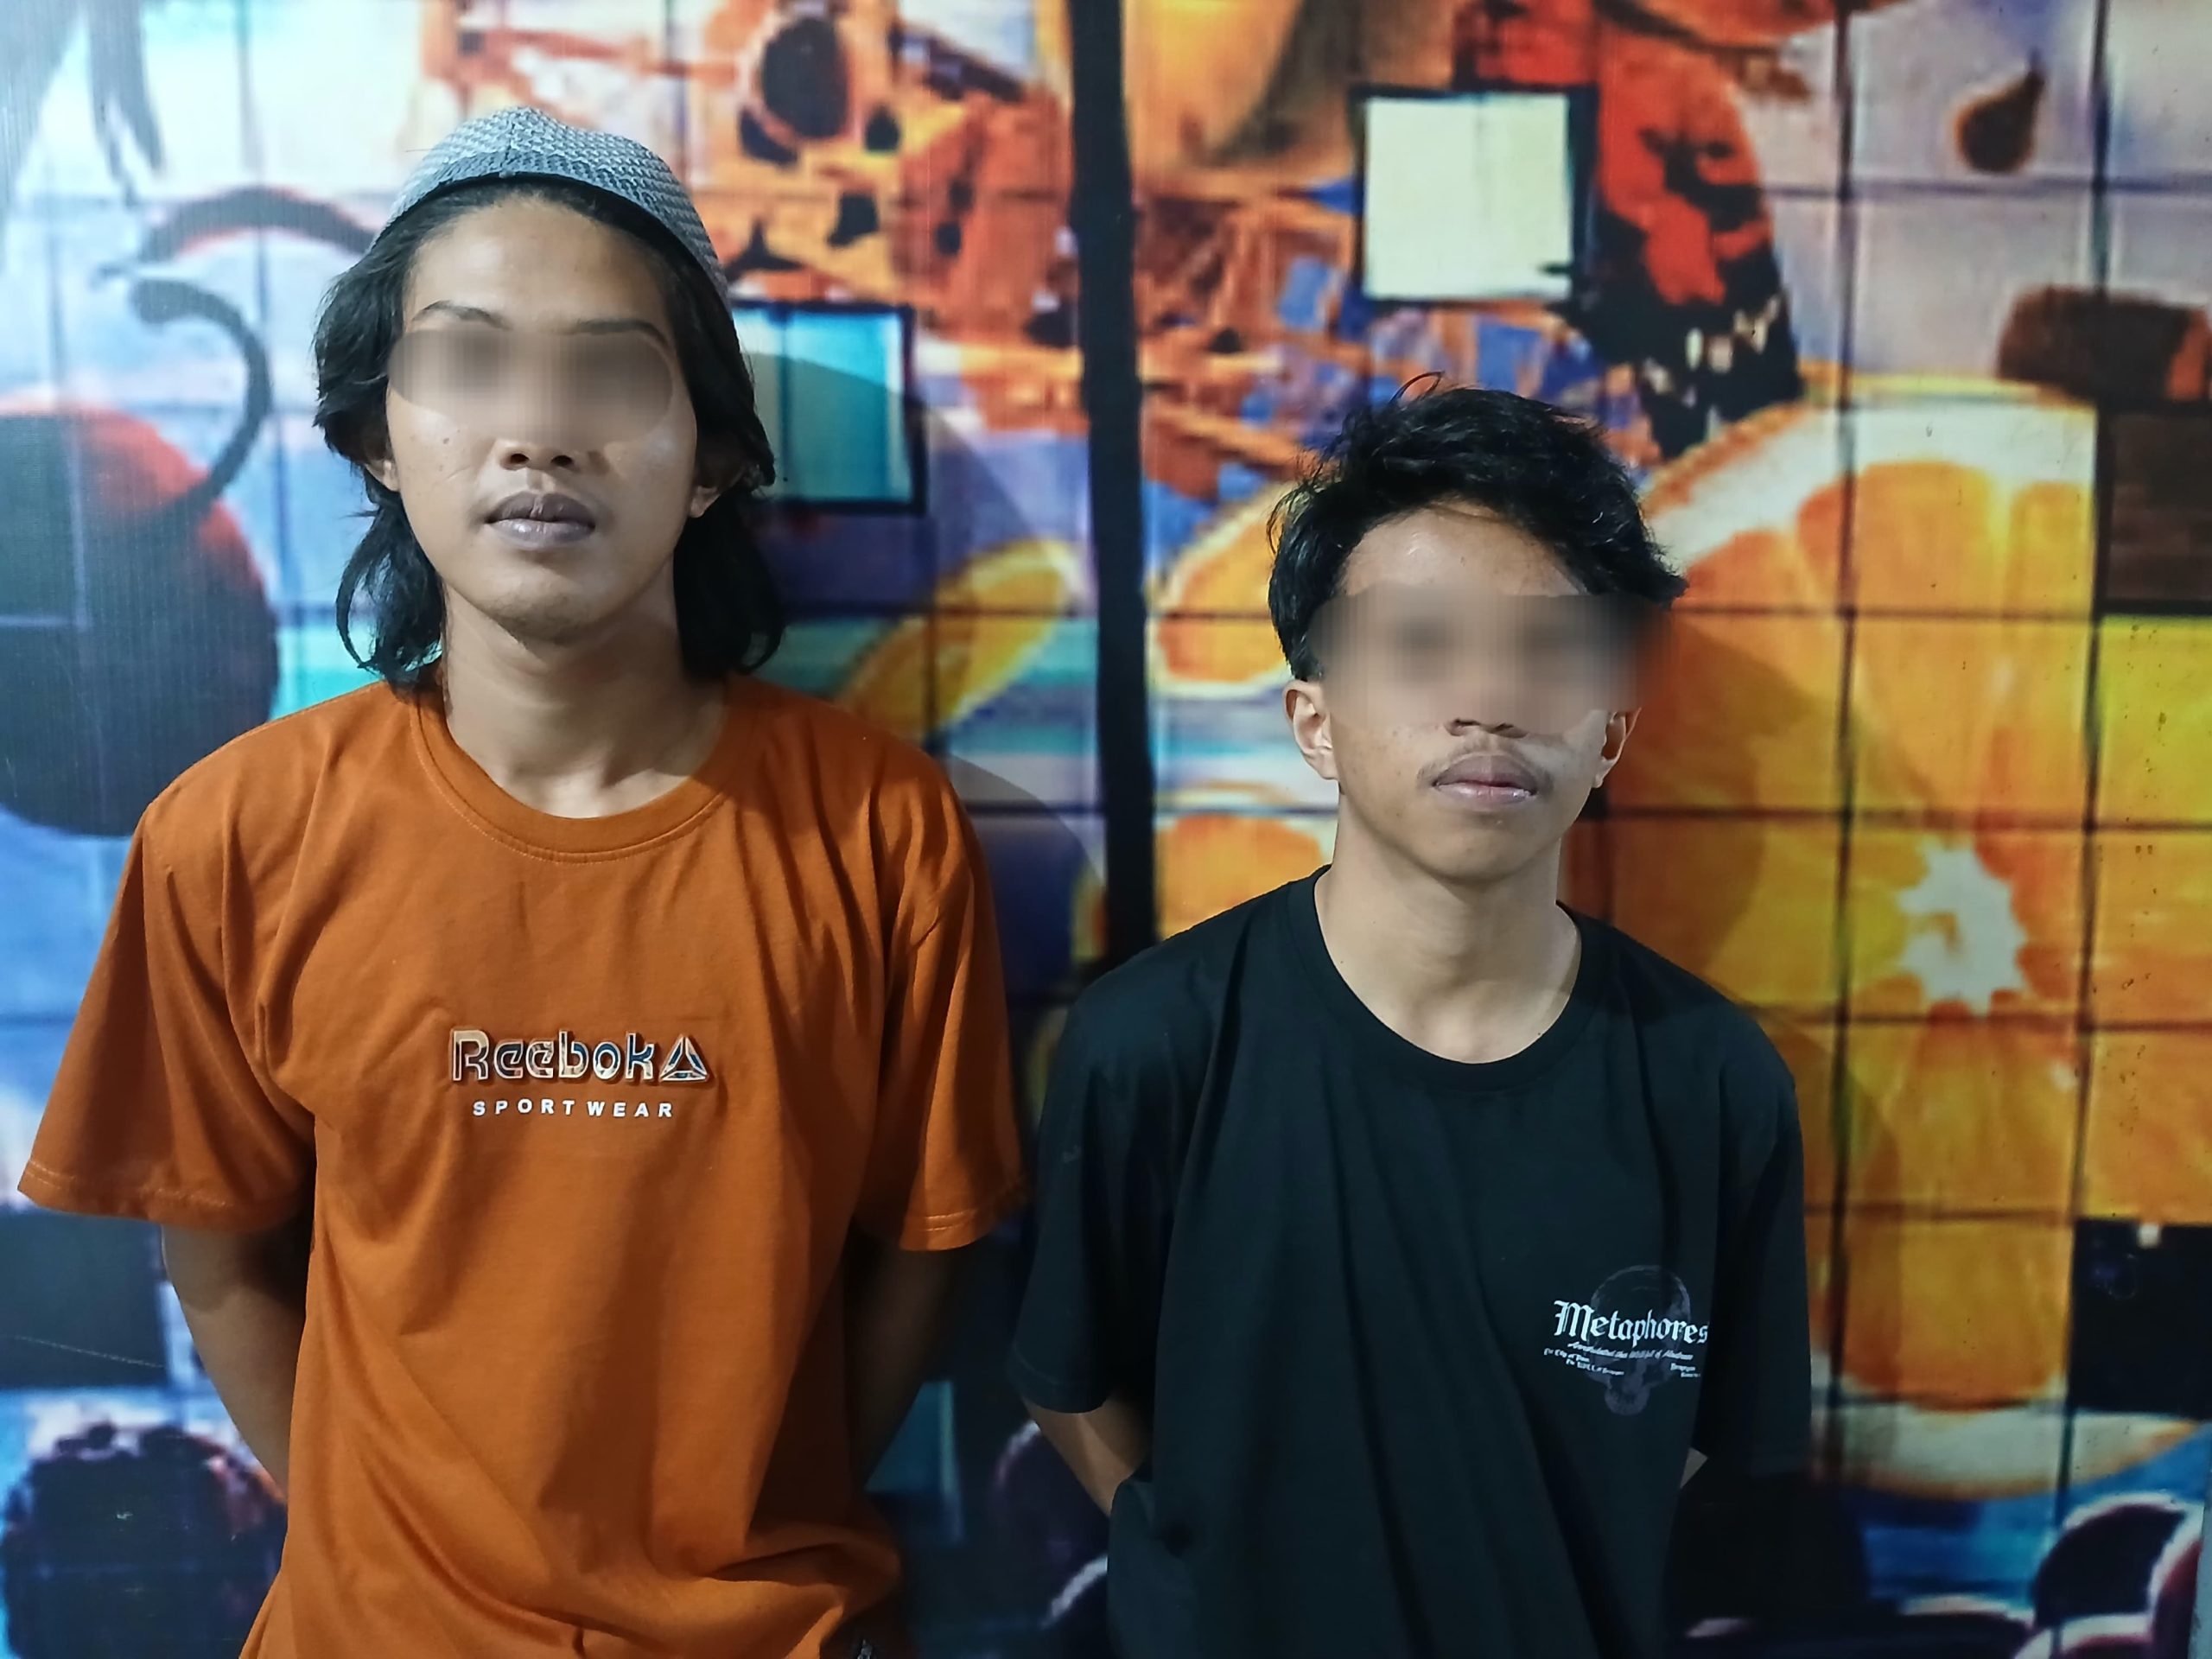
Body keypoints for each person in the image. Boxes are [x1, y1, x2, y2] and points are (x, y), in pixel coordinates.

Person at [17, 108, 1027, 1659]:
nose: (538, 428)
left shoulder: (880, 830)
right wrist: (387, 1550)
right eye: (470, 360)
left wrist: (736, 1531)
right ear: (377, 435)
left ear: (712, 458)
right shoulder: (234, 835)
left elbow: (922, 1247)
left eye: (611, 371)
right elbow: (216, 1259)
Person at [1011, 385, 1811, 1657]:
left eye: (1547, 649)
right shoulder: (1155, 1047)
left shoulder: (1711, 1082)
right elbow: (1073, 1384)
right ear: (1315, 723)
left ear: (1612, 731)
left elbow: (1696, 1440)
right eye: (1424, 645)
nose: (1491, 694)